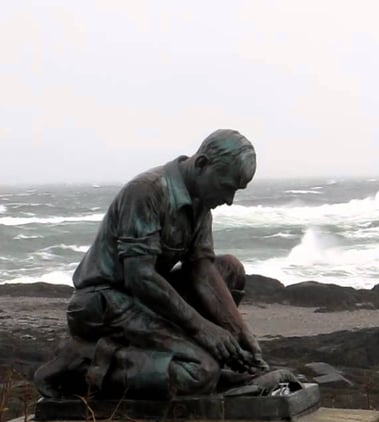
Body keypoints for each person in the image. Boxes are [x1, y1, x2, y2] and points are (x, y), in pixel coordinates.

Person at [35, 129, 274, 400]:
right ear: (202, 164)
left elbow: (201, 269)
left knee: (230, 269)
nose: (229, 200)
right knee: (200, 372)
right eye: (226, 186)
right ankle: (81, 367)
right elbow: (140, 277)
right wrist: (204, 330)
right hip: (103, 304)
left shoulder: (200, 203)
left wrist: (240, 334)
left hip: (144, 300)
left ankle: (182, 358)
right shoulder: (147, 191)